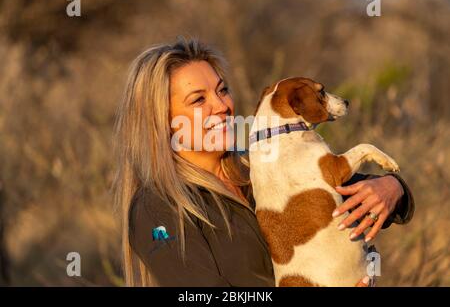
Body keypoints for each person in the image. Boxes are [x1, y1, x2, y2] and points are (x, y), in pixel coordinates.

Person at [112, 37, 414, 287]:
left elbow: (353, 191)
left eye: (222, 90)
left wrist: (392, 188)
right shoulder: (156, 208)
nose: (222, 106)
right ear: (161, 121)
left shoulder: (257, 168)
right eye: (198, 100)